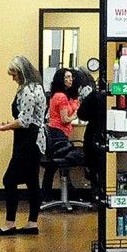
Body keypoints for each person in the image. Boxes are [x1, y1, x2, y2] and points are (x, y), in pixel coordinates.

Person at [0, 55, 47, 236]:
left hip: (28, 141)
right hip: (34, 140)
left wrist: (5, 127)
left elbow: (24, 121)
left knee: (9, 180)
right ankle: (32, 223)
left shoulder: (28, 91)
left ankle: (10, 223)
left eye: (14, 74)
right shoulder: (37, 87)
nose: (12, 78)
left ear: (22, 73)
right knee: (31, 180)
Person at [42, 67, 81, 198]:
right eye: (67, 77)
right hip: (59, 134)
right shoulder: (61, 97)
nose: (70, 80)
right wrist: (75, 116)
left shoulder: (57, 96)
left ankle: (46, 195)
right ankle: (71, 194)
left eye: (71, 77)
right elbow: (65, 119)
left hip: (55, 133)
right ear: (61, 80)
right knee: (71, 159)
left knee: (52, 167)